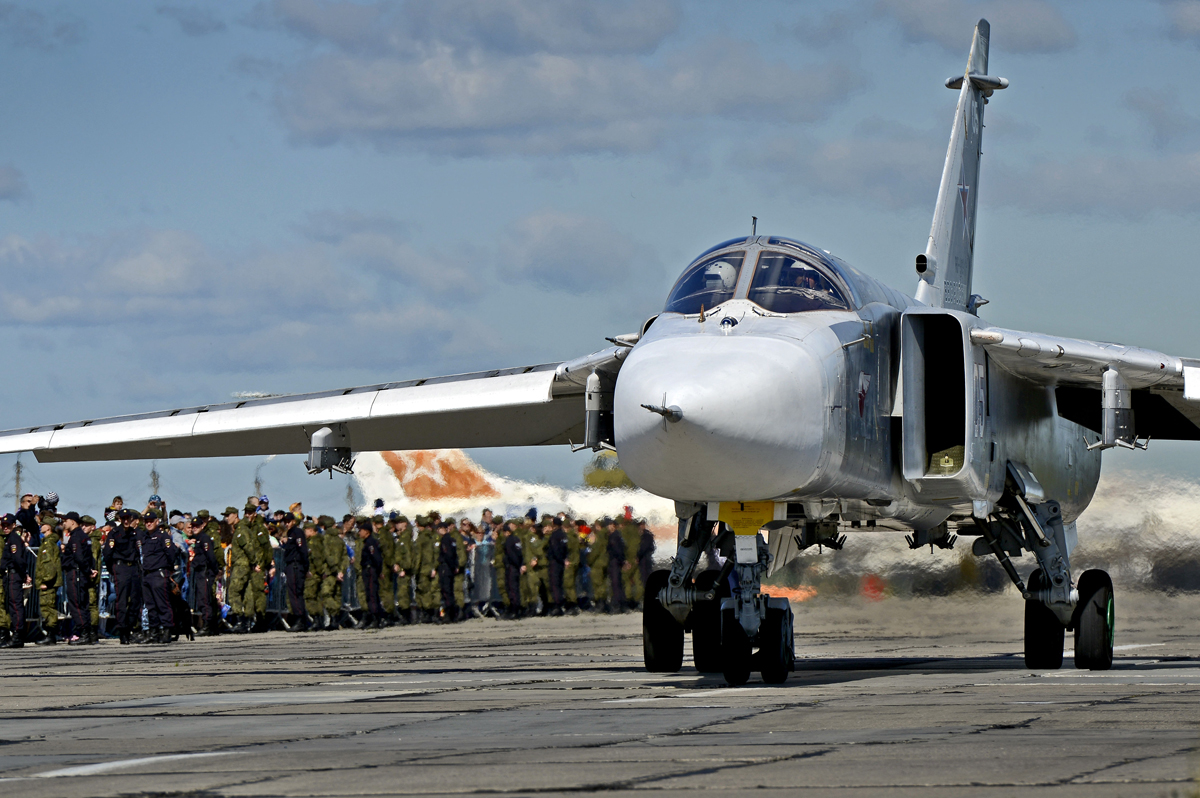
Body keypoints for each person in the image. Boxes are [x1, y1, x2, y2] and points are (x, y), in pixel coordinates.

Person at [140, 510, 178, 644]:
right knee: (150, 605)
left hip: (159, 573)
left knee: (162, 604)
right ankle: (154, 632)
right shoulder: (144, 537)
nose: (149, 524)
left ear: (157, 522)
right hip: (147, 574)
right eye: (146, 521)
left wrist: (167, 569)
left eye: (151, 521)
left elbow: (171, 553)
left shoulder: (162, 536)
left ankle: (167, 631)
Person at [104, 509, 141, 644]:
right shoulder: (114, 533)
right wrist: (113, 569)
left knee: (135, 600)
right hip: (120, 567)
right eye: (123, 518)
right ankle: (123, 631)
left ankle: (130, 626)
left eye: (128, 518)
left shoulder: (134, 533)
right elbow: (107, 553)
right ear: (120, 519)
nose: (126, 521)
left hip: (133, 568)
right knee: (122, 600)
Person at [60, 512, 97, 645]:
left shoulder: (76, 537)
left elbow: (79, 557)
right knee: (82, 603)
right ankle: (87, 632)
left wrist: (87, 570)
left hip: (76, 574)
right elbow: (89, 556)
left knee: (76, 603)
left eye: (66, 520)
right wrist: (90, 569)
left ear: (73, 522)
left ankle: (83, 633)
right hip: (80, 573)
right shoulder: (83, 536)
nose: (64, 523)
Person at [0, 515, 30, 648]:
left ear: (13, 525)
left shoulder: (14, 539)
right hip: (10, 575)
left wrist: (23, 575)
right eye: (3, 525)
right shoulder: (9, 539)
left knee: (15, 605)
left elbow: (18, 560)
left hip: (14, 575)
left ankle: (18, 635)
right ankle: (17, 634)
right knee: (12, 605)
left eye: (8, 525)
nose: (5, 528)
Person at [189, 517, 219, 635]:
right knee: (202, 598)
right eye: (193, 526)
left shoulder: (204, 538)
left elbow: (210, 556)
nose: (194, 528)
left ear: (202, 526)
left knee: (204, 598)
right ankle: (210, 625)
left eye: (197, 526)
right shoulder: (198, 539)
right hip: (199, 572)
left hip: (205, 571)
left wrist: (214, 571)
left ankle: (208, 624)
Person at [34, 519, 61, 645]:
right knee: (47, 607)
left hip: (48, 583)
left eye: (43, 524)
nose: (41, 526)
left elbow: (49, 564)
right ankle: (50, 634)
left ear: (49, 527)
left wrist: (46, 580)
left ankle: (51, 635)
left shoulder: (48, 544)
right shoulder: (47, 542)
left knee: (48, 607)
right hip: (48, 581)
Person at [282, 514, 309, 631]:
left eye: (288, 521)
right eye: (285, 522)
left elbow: (302, 550)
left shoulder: (297, 532)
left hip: (296, 565)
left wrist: (305, 567)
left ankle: (300, 619)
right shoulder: (290, 533)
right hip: (291, 566)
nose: (286, 524)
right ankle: (301, 619)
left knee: (295, 593)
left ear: (293, 521)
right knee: (294, 593)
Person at [358, 520, 383, 627]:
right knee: (370, 594)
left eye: (361, 530)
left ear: (367, 532)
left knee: (372, 594)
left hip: (370, 571)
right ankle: (375, 617)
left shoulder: (370, 542)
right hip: (367, 571)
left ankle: (375, 618)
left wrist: (377, 571)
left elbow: (376, 558)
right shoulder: (366, 542)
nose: (359, 533)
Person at [437, 521, 462, 622]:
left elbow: (448, 555)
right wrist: (455, 566)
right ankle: (452, 614)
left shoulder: (445, 540)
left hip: (446, 568)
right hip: (450, 568)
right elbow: (454, 555)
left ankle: (449, 615)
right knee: (450, 592)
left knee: (446, 592)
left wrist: (451, 566)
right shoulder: (452, 539)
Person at [546, 517, 568, 616]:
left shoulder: (554, 535)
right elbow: (565, 548)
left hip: (555, 562)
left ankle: (557, 606)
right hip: (561, 562)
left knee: (554, 585)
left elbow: (555, 549)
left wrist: (559, 559)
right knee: (560, 584)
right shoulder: (563, 535)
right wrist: (564, 559)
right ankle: (560, 604)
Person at [501, 522, 523, 619]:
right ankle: (517, 609)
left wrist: (512, 563)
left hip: (511, 567)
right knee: (516, 589)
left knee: (511, 589)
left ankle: (514, 610)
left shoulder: (508, 541)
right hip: (517, 567)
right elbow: (520, 554)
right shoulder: (517, 539)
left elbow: (511, 554)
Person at [606, 518, 628, 613]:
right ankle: (621, 605)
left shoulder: (614, 536)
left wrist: (622, 561)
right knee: (618, 583)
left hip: (614, 561)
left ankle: (617, 605)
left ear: (612, 525)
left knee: (615, 584)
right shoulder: (618, 535)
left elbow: (617, 550)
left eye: (609, 525)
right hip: (617, 561)